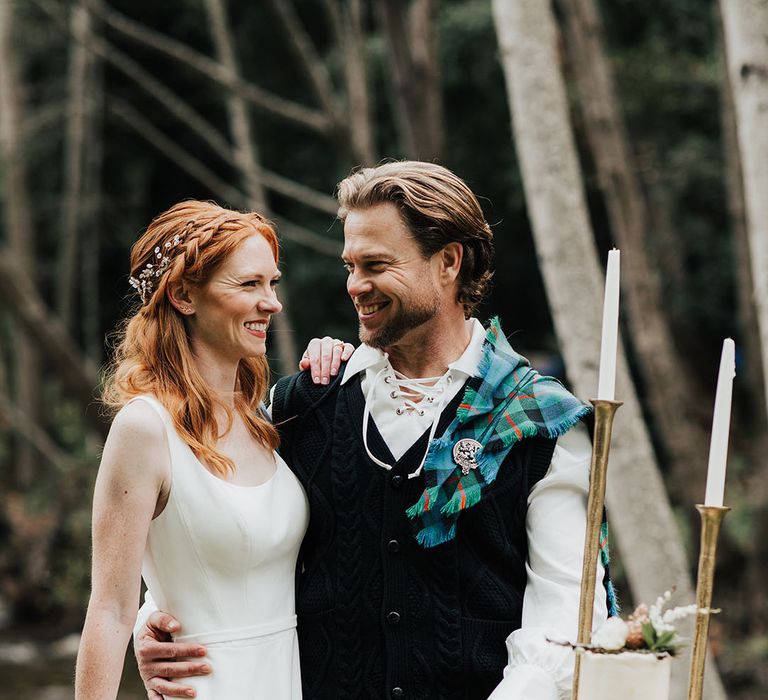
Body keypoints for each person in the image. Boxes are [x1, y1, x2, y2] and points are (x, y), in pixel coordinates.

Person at [136, 162, 614, 700]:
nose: (355, 286)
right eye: (350, 265)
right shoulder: (304, 404)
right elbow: (223, 526)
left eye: (376, 265)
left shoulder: (539, 422)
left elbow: (570, 621)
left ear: (448, 263)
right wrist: (157, 621)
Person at [74, 201, 348, 700]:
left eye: (273, 283)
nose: (272, 303)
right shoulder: (145, 428)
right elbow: (109, 611)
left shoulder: (264, 417)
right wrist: (142, 624)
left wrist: (346, 364)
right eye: (249, 284)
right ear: (182, 295)